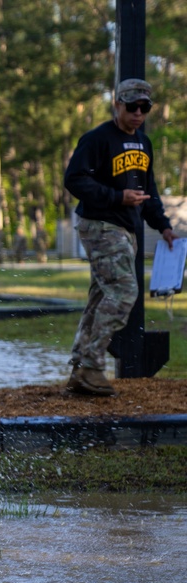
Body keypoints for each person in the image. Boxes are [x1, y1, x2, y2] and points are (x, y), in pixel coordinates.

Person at [64, 78, 177, 397]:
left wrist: (163, 225)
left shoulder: (144, 143)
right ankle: (92, 366)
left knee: (102, 296)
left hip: (127, 227)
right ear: (117, 104)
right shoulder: (98, 139)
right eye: (132, 106)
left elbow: (148, 190)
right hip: (99, 223)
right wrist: (116, 197)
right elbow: (73, 180)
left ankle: (80, 368)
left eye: (145, 107)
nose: (138, 113)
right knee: (125, 290)